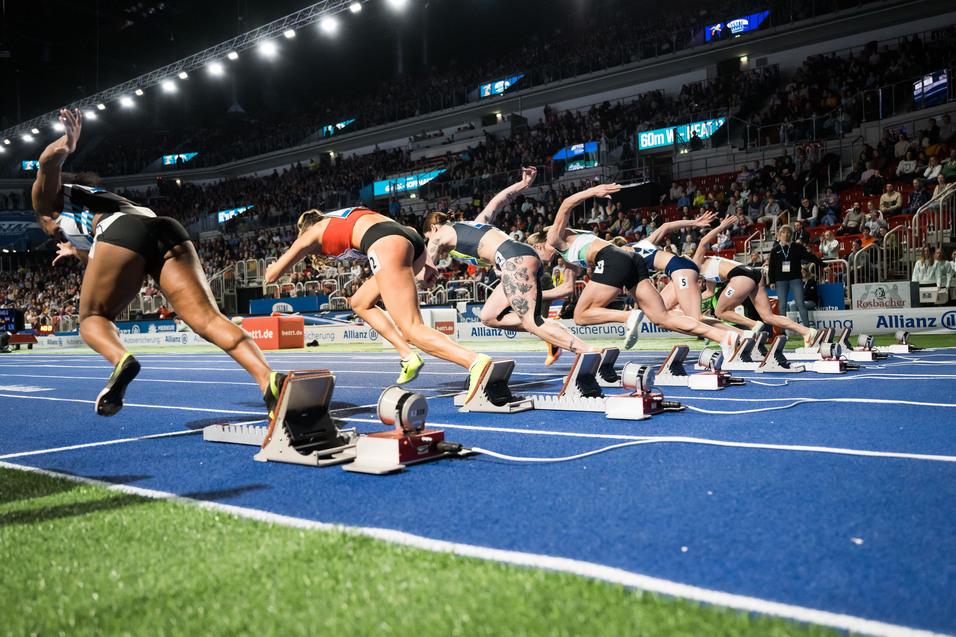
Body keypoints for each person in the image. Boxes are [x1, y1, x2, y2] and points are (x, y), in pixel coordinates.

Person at [32, 109, 285, 418]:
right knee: (207, 319)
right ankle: (267, 379)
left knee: (91, 318)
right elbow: (102, 255)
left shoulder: (47, 204)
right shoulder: (89, 203)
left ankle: (122, 360)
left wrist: (65, 145)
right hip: (163, 226)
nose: (50, 233)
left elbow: (46, 163)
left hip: (120, 233)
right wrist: (77, 249)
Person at [265, 207, 494, 403]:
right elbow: (407, 232)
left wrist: (271, 268)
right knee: (360, 302)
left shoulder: (310, 234)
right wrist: (427, 262)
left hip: (386, 245)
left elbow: (272, 277)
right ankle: (407, 355)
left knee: (412, 329)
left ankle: (474, 362)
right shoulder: (343, 216)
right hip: (409, 239)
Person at [529, 183, 738, 351]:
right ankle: (727, 337)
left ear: (538, 244)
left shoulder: (554, 238)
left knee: (580, 316)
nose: (541, 260)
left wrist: (593, 191)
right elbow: (566, 289)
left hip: (612, 259)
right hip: (632, 260)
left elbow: (566, 204)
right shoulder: (566, 257)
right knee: (662, 319)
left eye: (536, 253)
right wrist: (534, 296)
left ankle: (628, 316)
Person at [422, 168, 594, 366]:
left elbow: (425, 270)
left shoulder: (438, 236)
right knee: (489, 317)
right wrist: (523, 184)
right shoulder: (473, 225)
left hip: (514, 259)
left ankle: (588, 351)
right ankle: (550, 333)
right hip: (517, 259)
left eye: (427, 237)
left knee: (531, 320)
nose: (430, 241)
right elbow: (497, 202)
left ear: (433, 229)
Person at [692, 216, 818, 345]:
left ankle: (752, 325)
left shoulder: (695, 262)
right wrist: (685, 303)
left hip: (742, 275)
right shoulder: (705, 273)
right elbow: (709, 293)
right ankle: (807, 332)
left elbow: (703, 241)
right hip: (755, 274)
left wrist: (721, 227)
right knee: (768, 317)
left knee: (720, 311)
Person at [767, 225, 825, 328]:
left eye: (788, 232)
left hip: (795, 279)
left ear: (791, 235)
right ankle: (783, 332)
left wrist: (822, 264)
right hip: (781, 280)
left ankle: (807, 329)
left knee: (800, 304)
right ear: (780, 235)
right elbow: (771, 267)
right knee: (782, 306)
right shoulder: (775, 250)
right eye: (784, 232)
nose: (786, 234)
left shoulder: (797, 247)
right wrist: (771, 281)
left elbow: (809, 256)